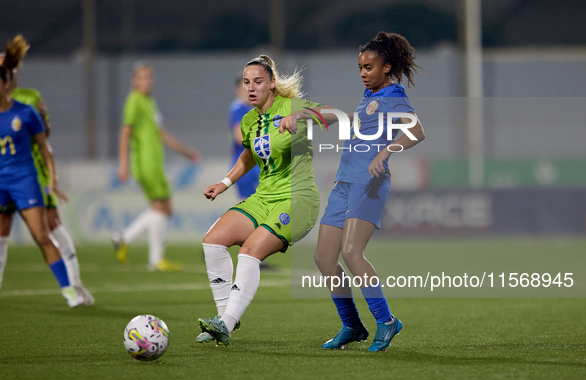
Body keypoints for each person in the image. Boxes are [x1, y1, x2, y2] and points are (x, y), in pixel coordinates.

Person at [196, 55, 339, 346]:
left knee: (249, 252)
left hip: (297, 200)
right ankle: (224, 320)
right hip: (263, 198)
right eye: (247, 82)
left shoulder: (291, 106)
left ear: (272, 83)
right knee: (212, 241)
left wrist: (300, 116)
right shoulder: (249, 120)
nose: (251, 88)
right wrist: (224, 183)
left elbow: (335, 114)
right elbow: (249, 153)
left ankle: (226, 321)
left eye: (258, 81)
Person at [314, 32, 425, 352]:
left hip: (370, 184)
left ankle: (387, 321)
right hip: (345, 183)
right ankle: (351, 326)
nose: (363, 73)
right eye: (360, 67)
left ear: (387, 67)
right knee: (323, 258)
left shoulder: (393, 95)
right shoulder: (370, 95)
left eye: (369, 67)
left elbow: (417, 130)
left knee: (351, 254)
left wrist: (387, 150)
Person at [0, 36, 94, 305]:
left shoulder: (28, 101)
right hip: (4, 177)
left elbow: (45, 138)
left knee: (47, 228)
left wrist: (51, 177)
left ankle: (73, 286)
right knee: (4, 231)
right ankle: (74, 286)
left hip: (31, 173)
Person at [112, 63, 200, 272]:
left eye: (149, 77)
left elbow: (160, 133)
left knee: (162, 209)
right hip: (145, 163)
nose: (147, 81)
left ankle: (137, 247)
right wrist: (123, 164)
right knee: (164, 208)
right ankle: (135, 245)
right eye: (142, 77)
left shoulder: (148, 102)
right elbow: (125, 131)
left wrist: (184, 151)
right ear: (134, 80)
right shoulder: (134, 101)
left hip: (155, 162)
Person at [229, 76, 258, 201]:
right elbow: (239, 138)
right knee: (247, 204)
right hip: (245, 163)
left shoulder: (256, 108)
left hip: (256, 161)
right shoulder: (238, 109)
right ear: (237, 90)